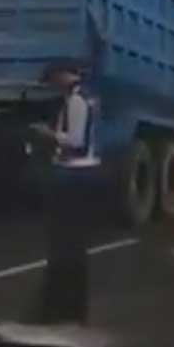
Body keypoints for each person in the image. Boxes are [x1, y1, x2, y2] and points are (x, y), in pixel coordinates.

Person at [31, 60, 100, 324]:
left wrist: (47, 134)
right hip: (78, 175)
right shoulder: (82, 97)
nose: (52, 86)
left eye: (52, 80)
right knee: (70, 245)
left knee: (65, 244)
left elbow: (76, 142)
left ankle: (66, 308)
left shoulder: (77, 101)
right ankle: (68, 308)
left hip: (74, 175)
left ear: (61, 76)